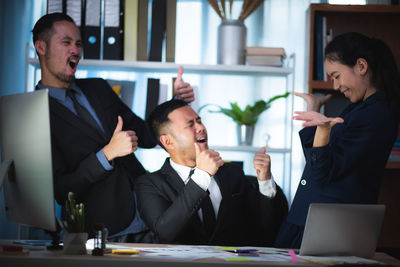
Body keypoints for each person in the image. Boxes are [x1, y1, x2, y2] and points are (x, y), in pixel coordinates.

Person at [32, 13, 194, 241]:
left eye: (78, 44)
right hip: (108, 230)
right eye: (66, 42)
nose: (75, 51)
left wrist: (174, 104)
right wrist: (107, 154)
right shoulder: (34, 112)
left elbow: (146, 135)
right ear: (41, 47)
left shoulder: (97, 88)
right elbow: (60, 189)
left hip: (153, 211)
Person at [275, 32, 400, 248]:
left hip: (328, 226)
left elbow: (323, 170)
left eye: (336, 76)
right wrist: (314, 112)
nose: (335, 86)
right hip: (312, 218)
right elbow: (320, 161)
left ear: (361, 66)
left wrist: (323, 129)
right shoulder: (359, 108)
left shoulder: (376, 114)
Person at [134, 99, 288, 246]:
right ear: (167, 141)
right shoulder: (149, 183)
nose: (201, 128)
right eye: (190, 125)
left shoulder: (232, 174)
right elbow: (165, 231)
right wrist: (202, 176)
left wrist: (265, 181)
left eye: (199, 121)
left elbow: (266, 230)